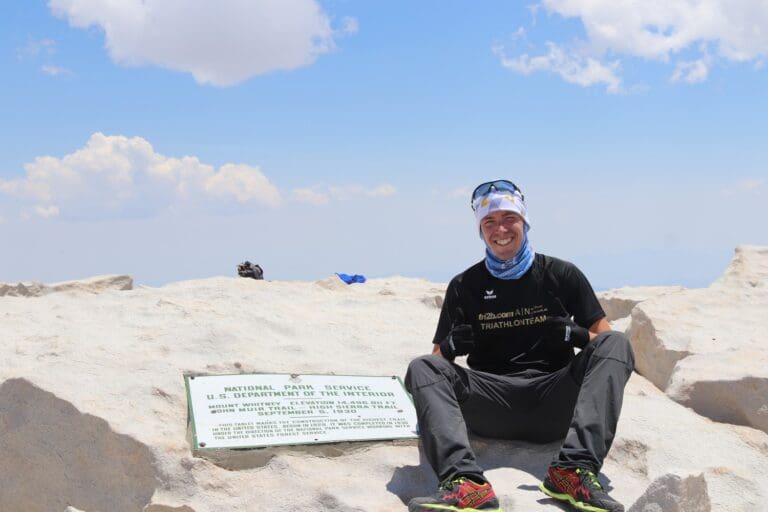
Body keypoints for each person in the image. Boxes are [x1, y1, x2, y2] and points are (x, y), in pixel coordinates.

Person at [405, 180, 634, 512]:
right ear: (480, 231)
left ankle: (574, 470)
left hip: (555, 401)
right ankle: (465, 483)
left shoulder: (561, 274)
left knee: (618, 343)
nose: (500, 229)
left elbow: (606, 343)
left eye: (509, 218)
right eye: (489, 222)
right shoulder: (464, 285)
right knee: (421, 366)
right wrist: (451, 346)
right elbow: (438, 363)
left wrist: (580, 337)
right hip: (490, 404)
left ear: (524, 222)